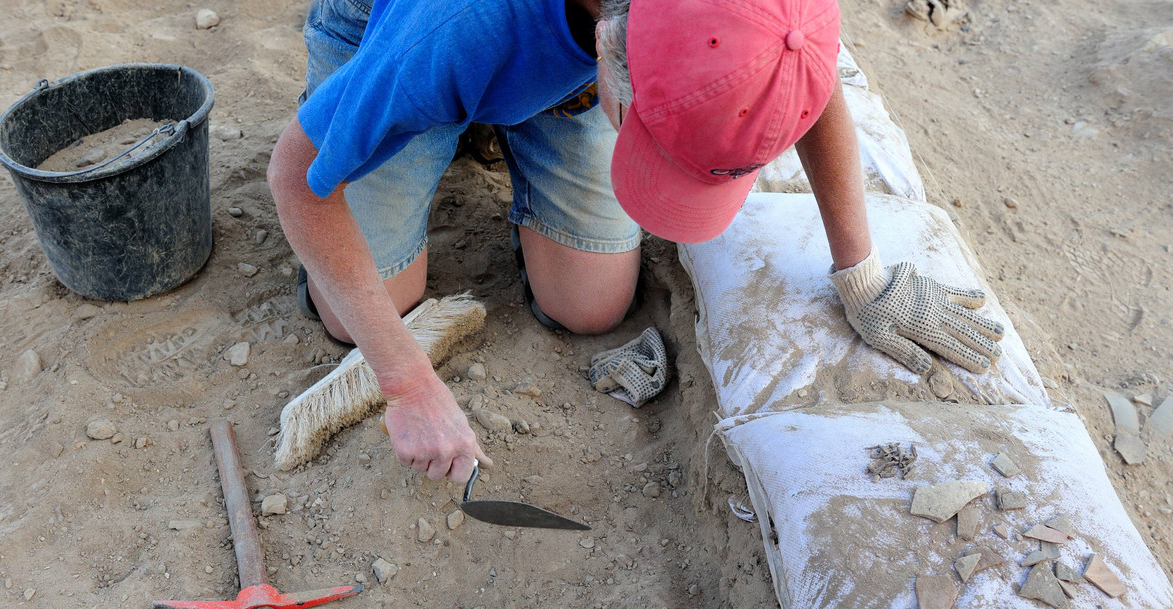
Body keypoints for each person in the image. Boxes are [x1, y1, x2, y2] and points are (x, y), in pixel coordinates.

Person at [267, 0, 1004, 485]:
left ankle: (504, 113)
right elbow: (297, 178)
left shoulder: (728, 15)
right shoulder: (457, 27)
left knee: (590, 306)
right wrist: (405, 382)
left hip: (562, 58)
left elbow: (792, 61)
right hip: (396, 29)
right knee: (363, 317)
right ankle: (433, 110)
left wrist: (863, 273)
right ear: (622, 59)